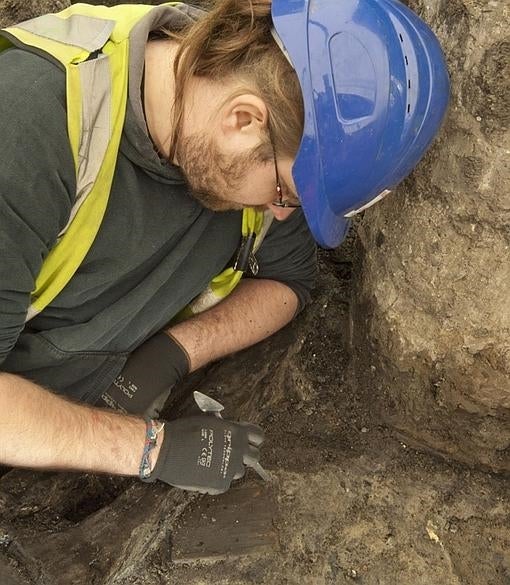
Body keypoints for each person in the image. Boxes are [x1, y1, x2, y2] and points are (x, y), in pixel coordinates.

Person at [0, 0, 449, 494]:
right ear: (244, 120)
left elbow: (290, 281)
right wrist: (147, 447)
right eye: (284, 195)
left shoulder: (242, 128)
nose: (281, 215)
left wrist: (174, 353)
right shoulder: (29, 129)